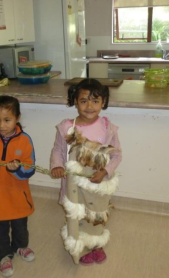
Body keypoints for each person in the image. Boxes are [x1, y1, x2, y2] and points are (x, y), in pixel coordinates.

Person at [50, 78, 122, 266]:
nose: (89, 106)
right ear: (75, 102)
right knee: (76, 214)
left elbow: (117, 155)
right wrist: (57, 166)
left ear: (103, 103)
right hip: (73, 184)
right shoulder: (67, 127)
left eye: (95, 101)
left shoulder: (108, 128)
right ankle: (76, 242)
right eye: (83, 101)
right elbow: (58, 149)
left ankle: (96, 244)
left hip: (98, 184)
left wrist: (105, 171)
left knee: (96, 214)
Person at [0, 96, 36, 278]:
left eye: (7, 120)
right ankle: (2, 255)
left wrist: (18, 169)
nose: (1, 125)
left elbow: (30, 168)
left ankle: (20, 246)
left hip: (18, 194)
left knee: (20, 225)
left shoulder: (25, 140)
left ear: (17, 118)